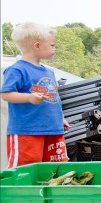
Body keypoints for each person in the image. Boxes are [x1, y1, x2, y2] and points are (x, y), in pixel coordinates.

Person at [1, 22, 69, 168]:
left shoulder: (48, 71)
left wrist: (61, 118)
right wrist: (29, 97)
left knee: (55, 171)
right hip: (27, 132)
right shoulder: (17, 69)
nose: (54, 48)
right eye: (52, 45)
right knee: (24, 171)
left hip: (52, 130)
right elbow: (6, 94)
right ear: (37, 46)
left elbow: (54, 98)